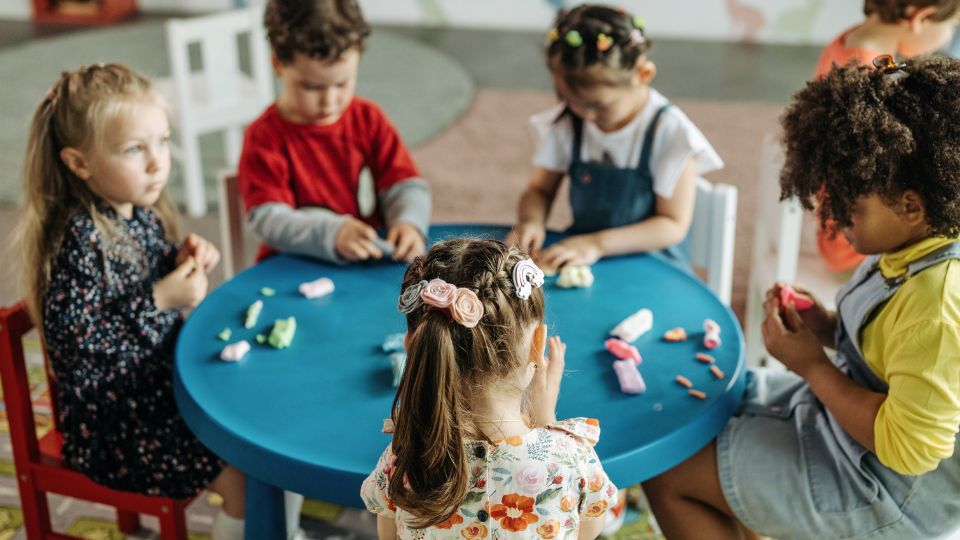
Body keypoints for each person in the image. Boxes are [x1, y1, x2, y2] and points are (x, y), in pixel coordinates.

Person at [643, 55, 960, 540]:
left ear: (912, 206)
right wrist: (826, 325)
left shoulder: (939, 307)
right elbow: (889, 349)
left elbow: (907, 450)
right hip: (845, 431)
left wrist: (811, 365)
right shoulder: (910, 240)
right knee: (692, 417)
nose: (834, 219)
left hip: (889, 491)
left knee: (668, 475)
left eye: (849, 209)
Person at [16, 64, 246, 540]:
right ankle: (250, 523)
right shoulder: (77, 240)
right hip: (115, 428)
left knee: (252, 415)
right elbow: (80, 348)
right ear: (79, 163)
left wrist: (182, 258)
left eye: (162, 141)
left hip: (159, 391)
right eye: (135, 149)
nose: (158, 162)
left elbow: (146, 271)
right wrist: (162, 297)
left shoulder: (136, 213)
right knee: (241, 473)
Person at [360, 239, 618, 540]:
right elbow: (585, 531)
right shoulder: (572, 460)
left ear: (413, 346)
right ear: (537, 346)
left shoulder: (403, 458)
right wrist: (546, 423)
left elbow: (389, 535)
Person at [507, 4, 723, 272]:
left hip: (653, 266)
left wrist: (596, 244)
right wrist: (531, 221)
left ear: (643, 76)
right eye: (572, 101)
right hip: (585, 259)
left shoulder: (669, 133)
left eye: (599, 106)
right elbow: (539, 190)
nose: (586, 116)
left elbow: (672, 224)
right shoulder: (569, 122)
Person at [239, 0, 431, 265]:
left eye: (342, 83)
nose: (329, 101)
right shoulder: (264, 136)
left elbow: (405, 185)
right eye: (311, 87)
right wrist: (331, 233)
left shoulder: (369, 119)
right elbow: (269, 219)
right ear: (278, 64)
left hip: (367, 261)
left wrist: (409, 221)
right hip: (292, 267)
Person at [814, 0, 960, 273]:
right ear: (920, 17)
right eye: (952, 25)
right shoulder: (869, 75)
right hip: (863, 243)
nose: (950, 35)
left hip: (846, 224)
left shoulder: (852, 42)